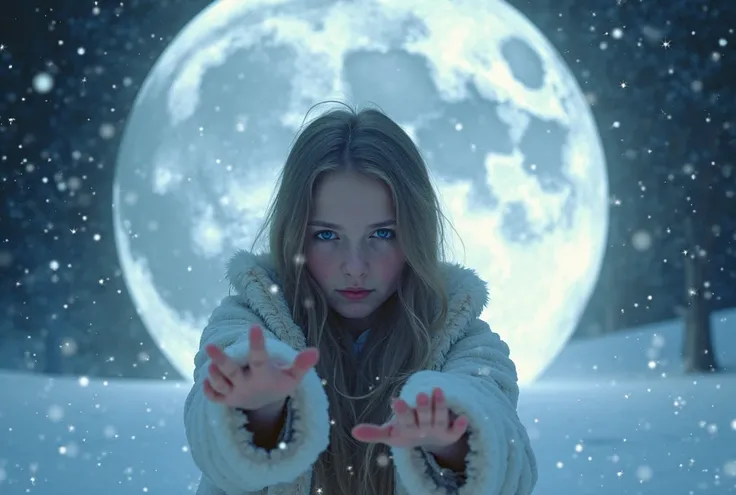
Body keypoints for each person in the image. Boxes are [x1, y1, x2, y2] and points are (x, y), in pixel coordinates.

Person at [183, 101, 538, 495]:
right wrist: (258, 409)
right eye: (327, 235)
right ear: (295, 233)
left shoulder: (463, 339)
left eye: (381, 234)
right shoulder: (247, 322)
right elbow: (212, 442)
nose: (355, 266)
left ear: (414, 235)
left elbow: (506, 451)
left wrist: (453, 440)